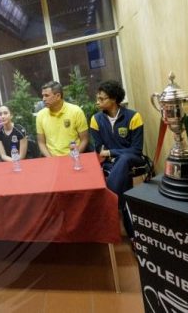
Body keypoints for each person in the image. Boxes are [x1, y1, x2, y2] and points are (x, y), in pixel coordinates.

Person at [89, 80, 145, 238]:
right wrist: (109, 154)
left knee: (126, 159)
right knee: (125, 184)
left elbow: (136, 149)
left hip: (133, 160)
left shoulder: (134, 117)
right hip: (110, 165)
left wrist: (111, 152)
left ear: (114, 99)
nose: (97, 102)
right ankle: (133, 234)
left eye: (102, 99)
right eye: (98, 98)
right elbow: (100, 151)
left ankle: (108, 198)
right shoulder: (96, 120)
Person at [36, 81, 89, 157]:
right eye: (43, 96)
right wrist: (50, 159)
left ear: (58, 96)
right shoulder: (40, 115)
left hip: (74, 157)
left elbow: (84, 140)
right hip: (52, 159)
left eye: (46, 95)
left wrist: (74, 155)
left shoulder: (76, 111)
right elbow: (41, 142)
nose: (43, 99)